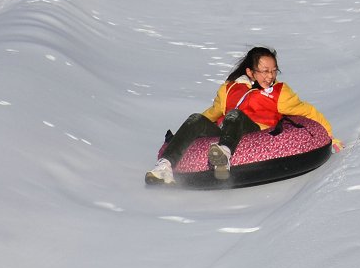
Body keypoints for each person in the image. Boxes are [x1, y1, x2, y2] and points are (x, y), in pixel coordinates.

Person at [146, 46, 342, 184]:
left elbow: (307, 112)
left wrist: (329, 136)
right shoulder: (229, 89)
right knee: (195, 118)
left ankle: (223, 156)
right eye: (264, 71)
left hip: (255, 131)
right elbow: (211, 114)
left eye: (274, 71)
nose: (270, 76)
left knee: (235, 115)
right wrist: (181, 135)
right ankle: (164, 166)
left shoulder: (279, 93)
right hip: (225, 130)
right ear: (250, 72)